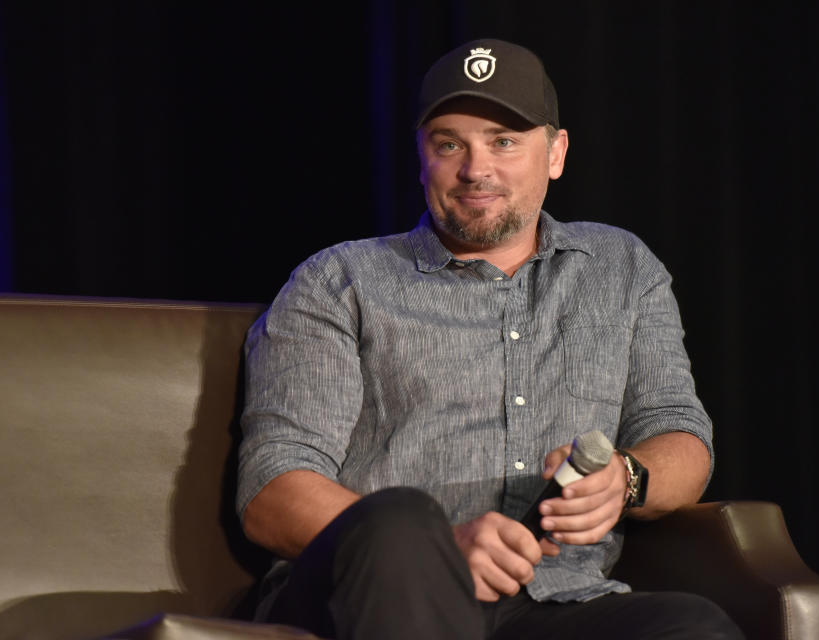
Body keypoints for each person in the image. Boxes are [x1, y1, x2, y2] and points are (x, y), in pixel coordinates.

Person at [237, 39, 744, 639]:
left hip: (557, 600)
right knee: (400, 520)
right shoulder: (339, 280)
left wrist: (627, 477)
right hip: (372, 593)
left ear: (555, 153)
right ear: (421, 156)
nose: (476, 169)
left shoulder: (621, 267)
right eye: (450, 143)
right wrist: (441, 551)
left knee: (692, 627)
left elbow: (680, 432)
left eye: (504, 141)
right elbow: (273, 488)